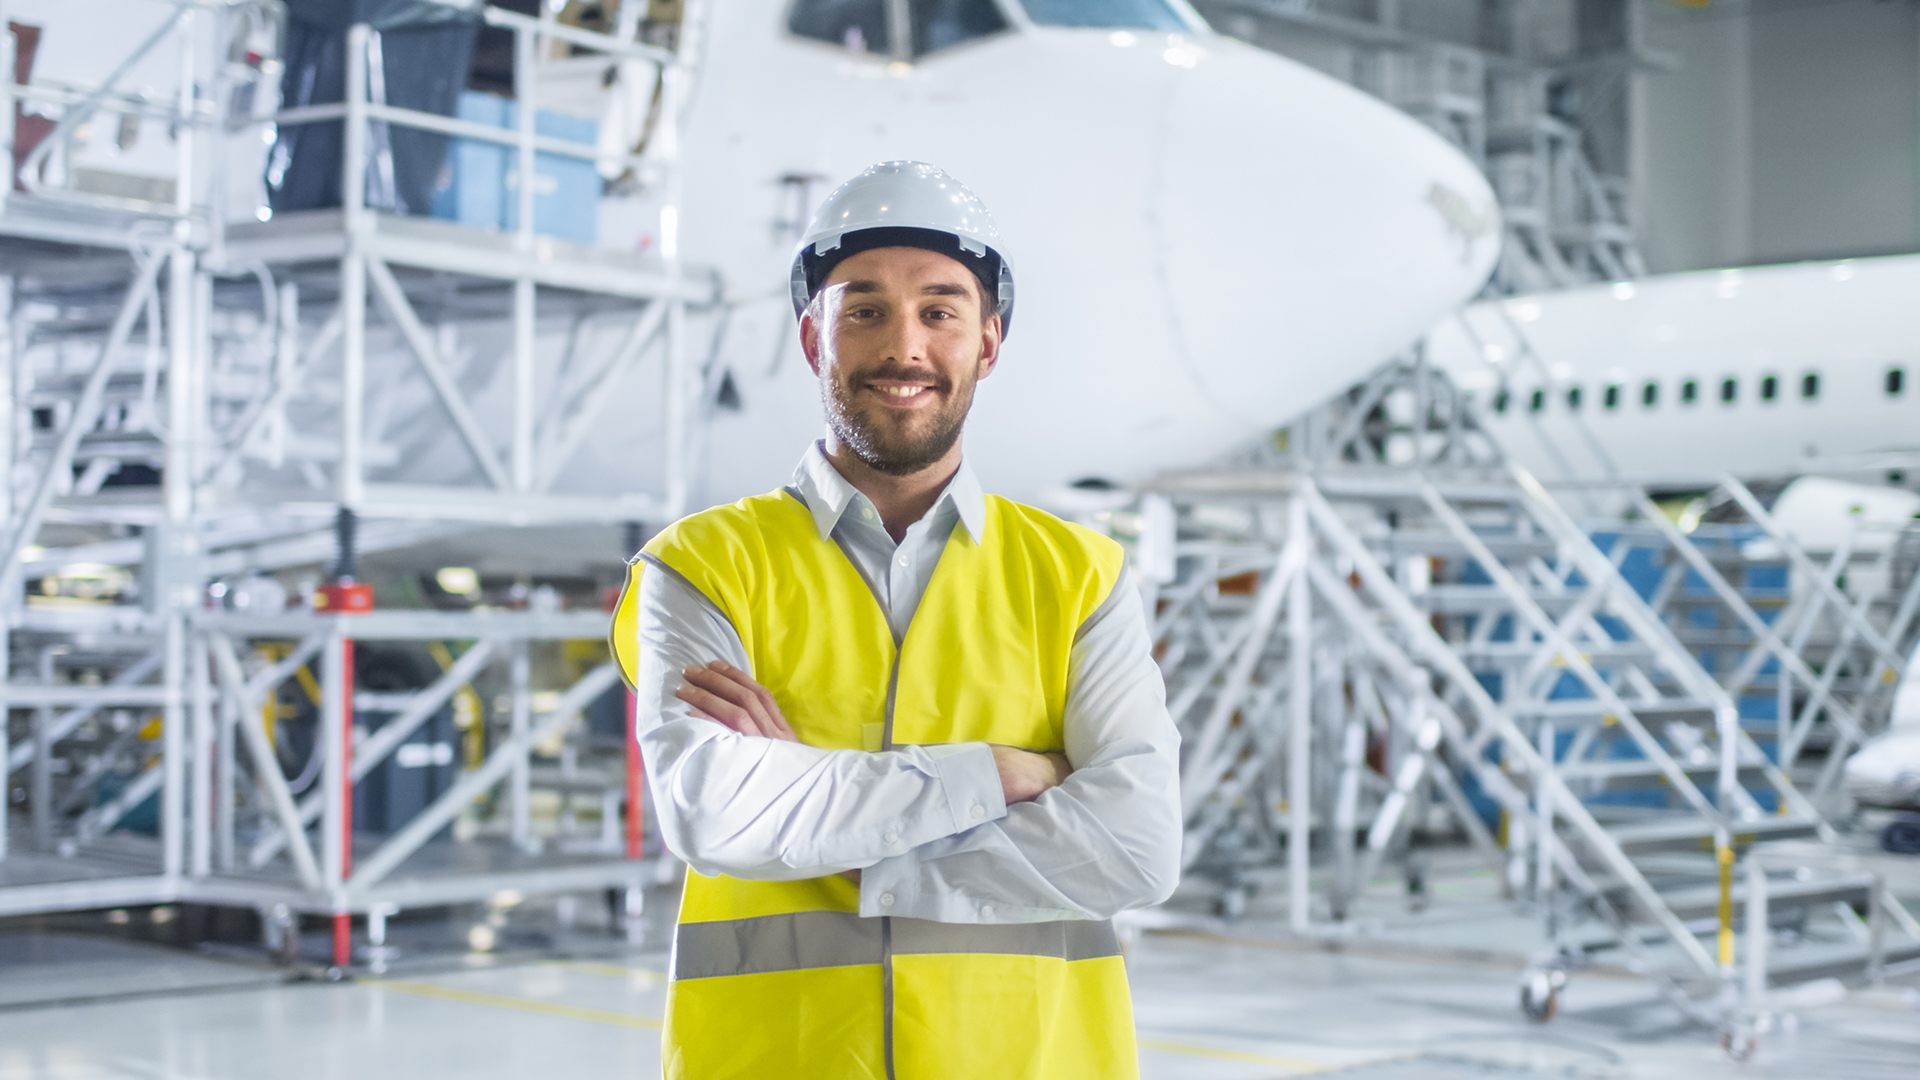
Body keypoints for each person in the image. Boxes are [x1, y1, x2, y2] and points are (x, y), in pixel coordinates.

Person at [612, 161, 1182, 1079]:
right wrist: (1004, 774)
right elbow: (715, 814)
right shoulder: (704, 564)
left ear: (988, 342)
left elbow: (1136, 845)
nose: (903, 346)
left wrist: (816, 818)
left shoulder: (1080, 576)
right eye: (864, 310)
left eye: (941, 311)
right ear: (813, 338)